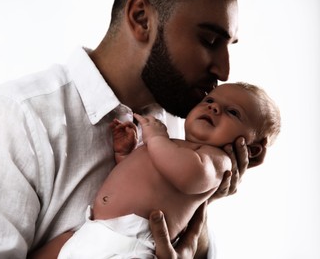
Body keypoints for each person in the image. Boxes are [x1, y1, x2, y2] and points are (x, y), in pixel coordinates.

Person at [0, 0, 266, 258]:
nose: (224, 71)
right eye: (210, 41)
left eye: (228, 46)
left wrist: (202, 206)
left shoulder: (185, 126)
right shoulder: (16, 118)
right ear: (141, 18)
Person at [30, 82, 281, 258]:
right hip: (91, 230)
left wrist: (155, 137)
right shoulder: (175, 146)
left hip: (131, 245)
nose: (214, 108)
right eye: (210, 100)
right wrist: (126, 154)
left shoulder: (216, 161)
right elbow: (143, 179)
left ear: (252, 149)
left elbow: (187, 174)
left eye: (233, 112)